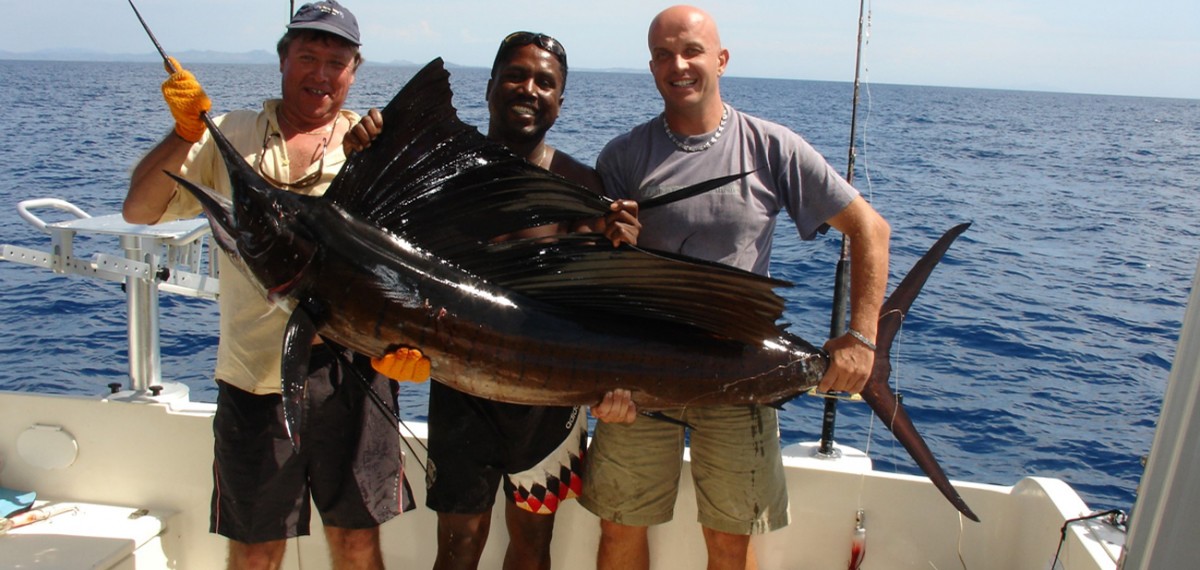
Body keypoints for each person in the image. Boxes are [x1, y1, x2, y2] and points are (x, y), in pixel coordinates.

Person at [578, 5, 892, 570]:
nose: (680, 64)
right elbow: (600, 279)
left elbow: (870, 229)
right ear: (651, 67)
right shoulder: (622, 157)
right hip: (638, 379)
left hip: (741, 373)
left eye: (692, 50)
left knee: (731, 542)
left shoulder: (772, 147)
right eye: (665, 54)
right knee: (620, 529)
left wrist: (861, 339)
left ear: (721, 60)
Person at [123, 3, 427, 569]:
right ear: (282, 59)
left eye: (335, 61)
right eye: (307, 56)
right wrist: (183, 133)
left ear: (354, 71)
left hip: (355, 375)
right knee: (257, 548)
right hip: (254, 378)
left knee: (358, 543)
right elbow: (140, 210)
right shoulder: (233, 134)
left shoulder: (370, 145)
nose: (320, 73)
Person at [349, 31, 639, 570]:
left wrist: (622, 247)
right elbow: (378, 259)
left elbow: (600, 304)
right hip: (461, 390)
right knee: (457, 548)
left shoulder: (581, 186)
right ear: (488, 88)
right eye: (515, 75)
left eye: (545, 82)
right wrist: (366, 150)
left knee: (532, 547)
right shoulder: (442, 177)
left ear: (559, 101)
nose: (528, 89)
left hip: (549, 404)